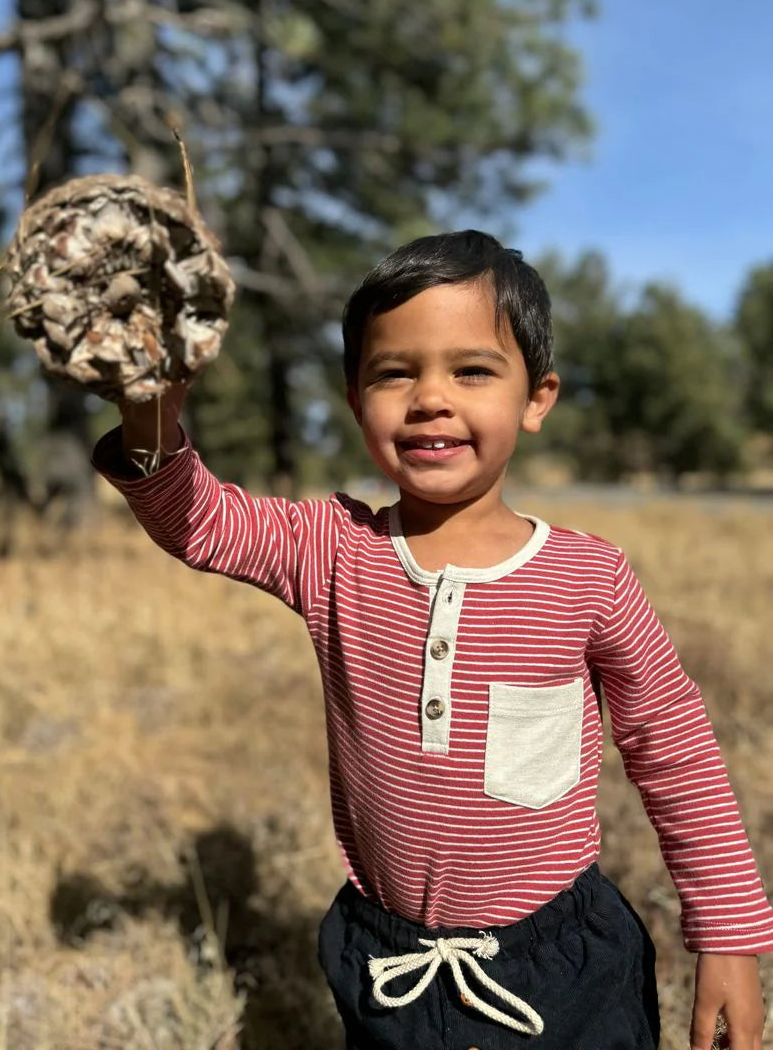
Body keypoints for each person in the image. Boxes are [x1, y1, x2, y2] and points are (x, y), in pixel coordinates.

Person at [92, 231, 771, 1049]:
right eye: (394, 373)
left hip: (562, 970)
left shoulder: (588, 577)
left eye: (472, 370)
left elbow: (674, 747)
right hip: (389, 964)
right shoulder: (330, 549)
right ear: (355, 401)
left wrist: (728, 933)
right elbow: (197, 522)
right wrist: (149, 408)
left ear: (537, 399)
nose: (430, 399)